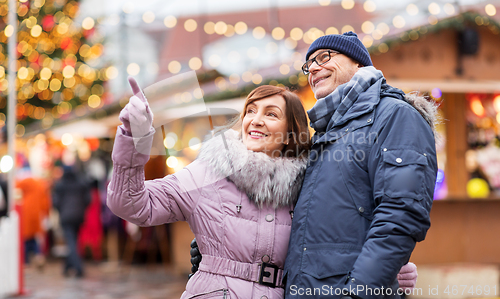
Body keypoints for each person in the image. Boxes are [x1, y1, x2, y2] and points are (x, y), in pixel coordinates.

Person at [108, 77, 417, 298]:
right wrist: (133, 137)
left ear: (290, 133)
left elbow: (339, 241)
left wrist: (391, 270)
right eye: (251, 111)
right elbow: (131, 204)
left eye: (271, 114)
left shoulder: (309, 187)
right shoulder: (209, 172)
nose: (255, 120)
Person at [283, 31, 438, 299]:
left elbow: (400, 214)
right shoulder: (324, 133)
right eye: (309, 65)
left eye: (324, 57)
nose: (313, 69)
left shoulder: (395, 115)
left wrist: (360, 292)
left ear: (358, 64)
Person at [52, 164, 91, 277]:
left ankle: (78, 268)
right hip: (79, 217)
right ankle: (67, 267)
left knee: (71, 242)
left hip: (66, 217)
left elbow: (55, 202)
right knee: (73, 241)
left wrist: (61, 211)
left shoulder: (60, 185)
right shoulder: (81, 183)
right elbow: (88, 199)